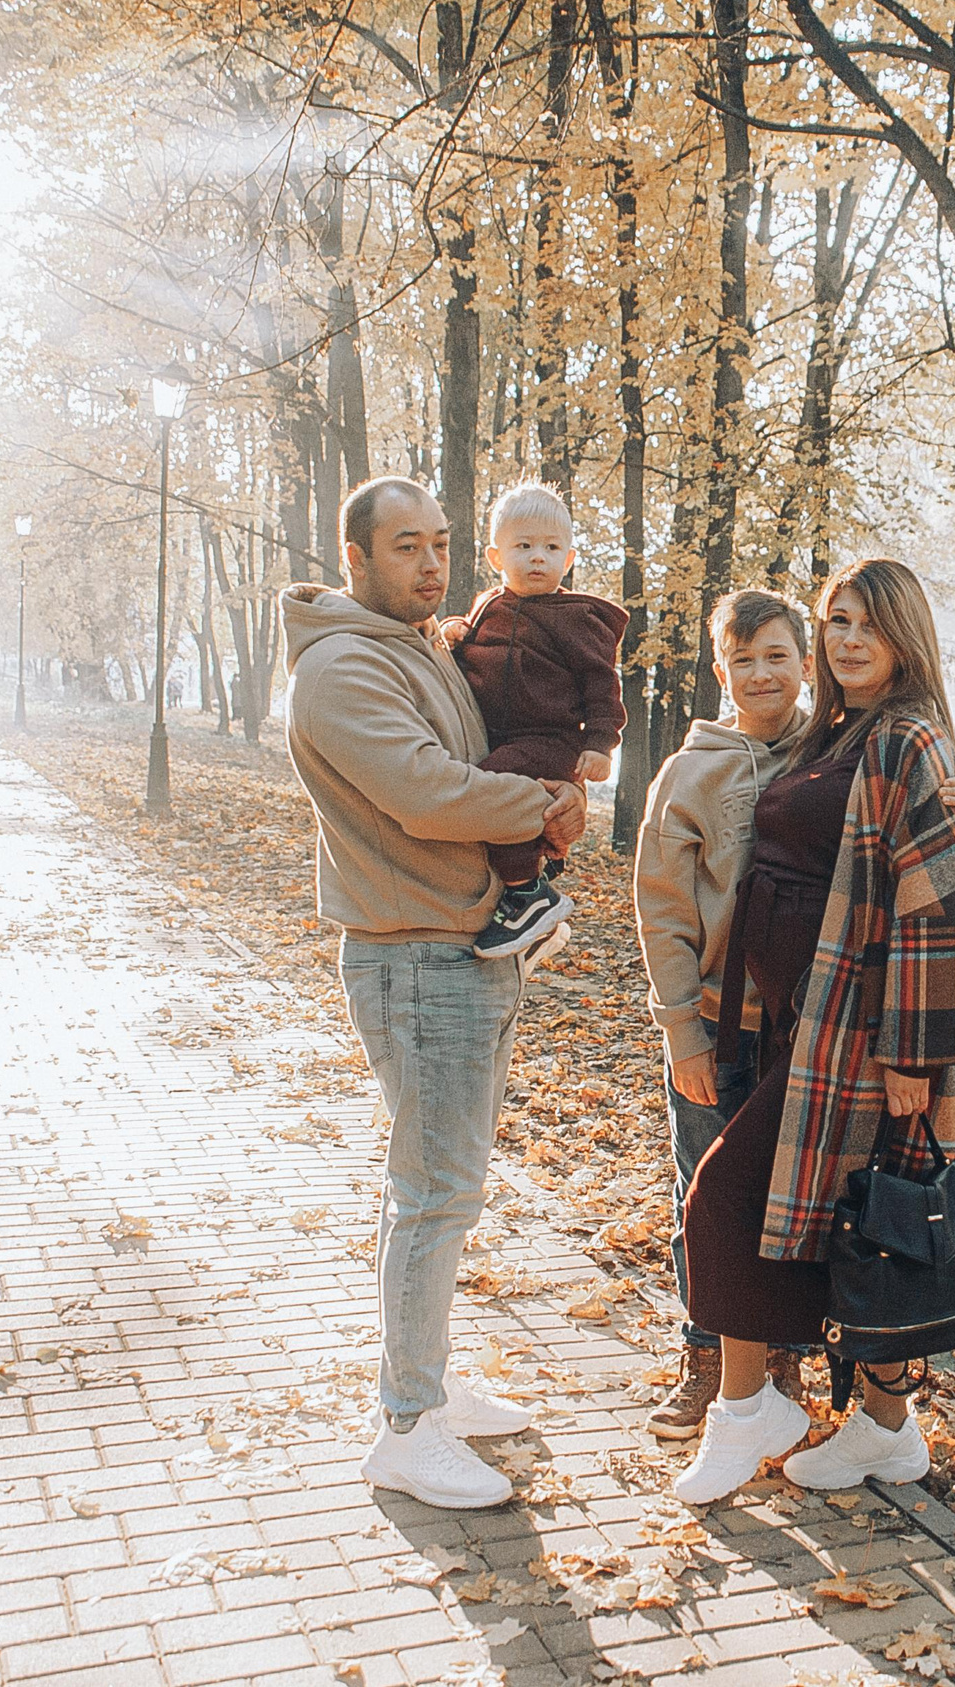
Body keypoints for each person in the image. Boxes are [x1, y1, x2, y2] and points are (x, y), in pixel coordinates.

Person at [282, 473, 588, 1511]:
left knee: (435, 1187)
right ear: (355, 558)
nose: (429, 562)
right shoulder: (338, 669)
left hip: (460, 949)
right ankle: (406, 1425)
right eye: (404, 545)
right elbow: (424, 789)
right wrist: (545, 801)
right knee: (434, 1192)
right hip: (415, 956)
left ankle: (430, 1381)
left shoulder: (417, 644)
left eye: (441, 542)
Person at [632, 589, 955, 1441]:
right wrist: (681, 1027)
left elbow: (913, 858)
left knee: (786, 1195)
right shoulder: (697, 768)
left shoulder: (839, 742)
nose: (763, 673)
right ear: (721, 671)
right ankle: (709, 1359)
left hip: (809, 1026)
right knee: (706, 1187)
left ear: (802, 663)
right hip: (720, 1023)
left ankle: (783, 1376)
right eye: (743, 660)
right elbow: (661, 910)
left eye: (778, 655)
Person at [443, 481, 627, 959]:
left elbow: (600, 680)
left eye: (550, 548)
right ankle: (538, 867)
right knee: (495, 784)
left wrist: (601, 742)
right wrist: (456, 633)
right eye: (523, 547)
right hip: (501, 735)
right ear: (496, 556)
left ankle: (528, 893)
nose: (538, 558)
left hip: (549, 737)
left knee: (486, 787)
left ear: (568, 559)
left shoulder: (575, 618)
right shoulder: (489, 606)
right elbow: (479, 651)